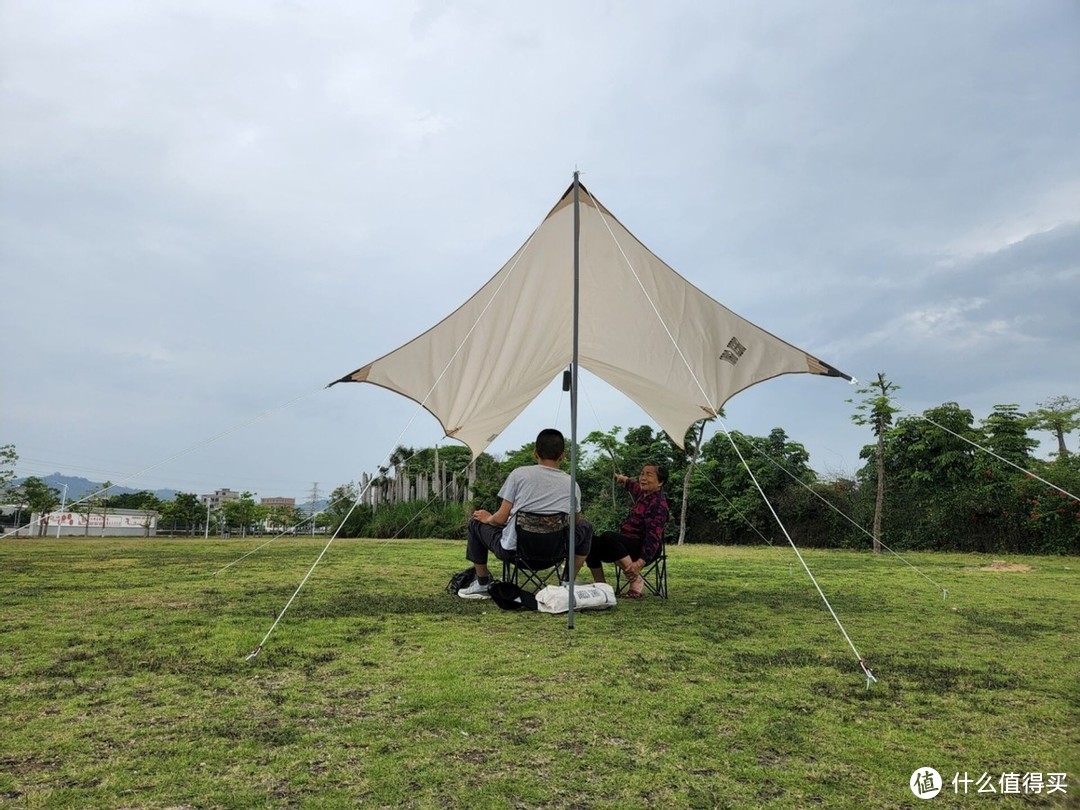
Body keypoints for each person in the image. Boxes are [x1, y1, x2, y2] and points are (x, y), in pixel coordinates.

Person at [459, 428, 594, 599]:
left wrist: (488, 518)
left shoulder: (519, 474)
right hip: (556, 553)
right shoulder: (571, 483)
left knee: (475, 522)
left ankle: (483, 583)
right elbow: (575, 522)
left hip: (515, 553)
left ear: (535, 453)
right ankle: (568, 582)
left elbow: (500, 519)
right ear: (562, 456)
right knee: (586, 526)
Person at [586, 463, 669, 598]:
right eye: (642, 473)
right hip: (626, 545)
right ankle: (602, 587)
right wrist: (622, 479)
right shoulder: (644, 494)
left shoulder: (658, 505)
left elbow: (653, 537)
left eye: (649, 475)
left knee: (608, 537)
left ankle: (635, 578)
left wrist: (640, 562)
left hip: (644, 548)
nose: (643, 477)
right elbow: (633, 486)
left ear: (660, 482)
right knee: (591, 542)